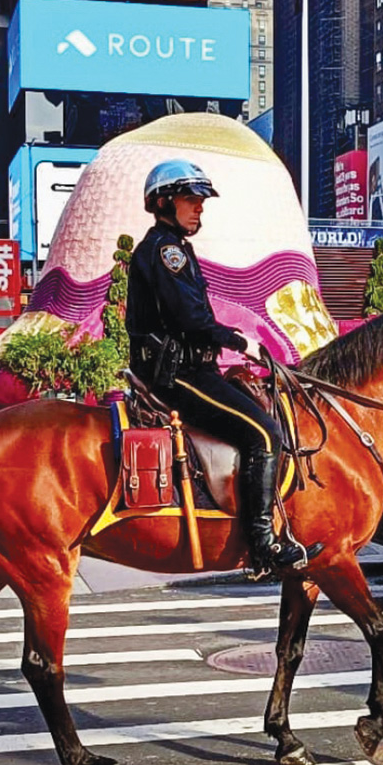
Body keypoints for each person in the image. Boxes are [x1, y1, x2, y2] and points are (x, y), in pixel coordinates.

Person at [126, 159, 323, 576]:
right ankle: (262, 544)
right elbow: (192, 319)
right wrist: (241, 342)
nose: (199, 208)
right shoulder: (167, 252)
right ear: (163, 202)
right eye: (190, 200)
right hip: (177, 376)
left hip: (193, 369)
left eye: (200, 201)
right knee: (265, 434)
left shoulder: (176, 248)